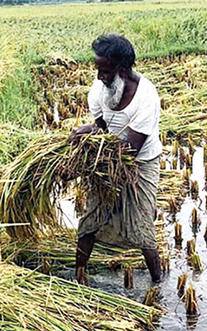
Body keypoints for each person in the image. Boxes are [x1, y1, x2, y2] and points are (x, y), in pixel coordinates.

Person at [69, 34, 163, 284]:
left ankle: (158, 283)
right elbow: (102, 128)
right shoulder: (99, 90)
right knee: (91, 217)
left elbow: (131, 149)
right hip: (109, 160)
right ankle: (79, 276)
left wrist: (93, 135)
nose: (100, 76)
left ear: (123, 68)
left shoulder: (147, 97)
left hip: (141, 162)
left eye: (105, 70)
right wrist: (89, 134)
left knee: (142, 224)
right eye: (98, 69)